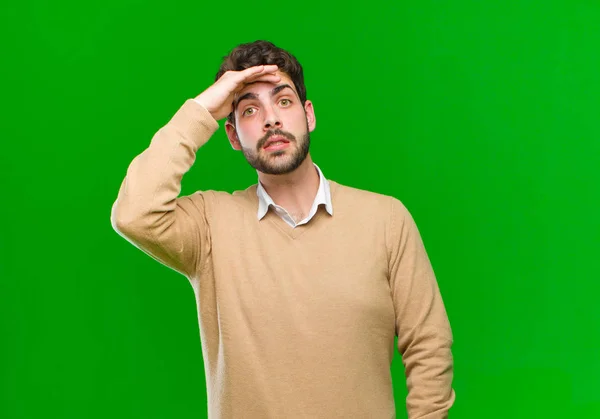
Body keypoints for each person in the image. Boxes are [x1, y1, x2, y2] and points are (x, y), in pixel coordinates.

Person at [110, 40, 455, 419]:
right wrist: (202, 109)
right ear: (232, 135)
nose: (271, 119)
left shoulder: (386, 219)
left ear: (309, 115)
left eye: (284, 101)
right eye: (250, 110)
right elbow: (134, 213)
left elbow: (428, 346)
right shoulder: (210, 225)